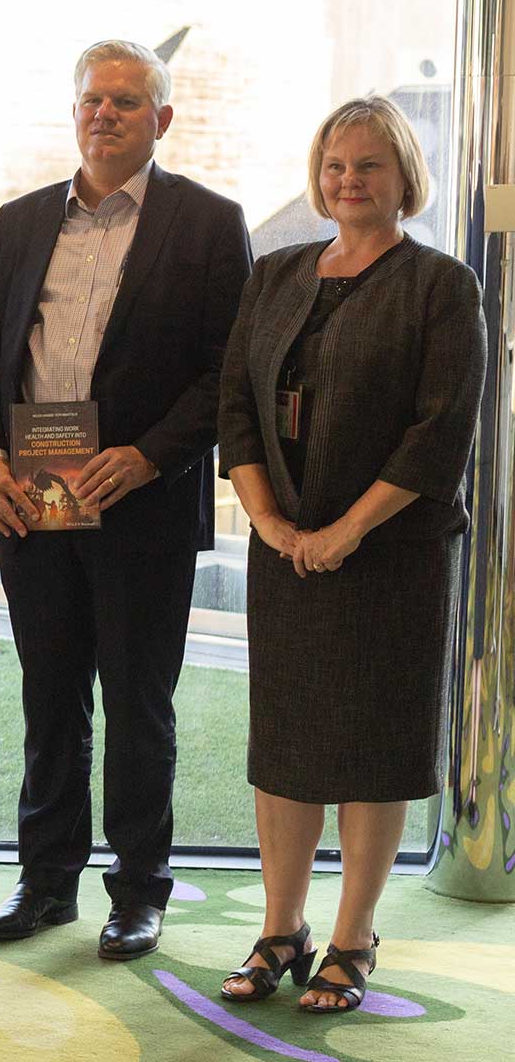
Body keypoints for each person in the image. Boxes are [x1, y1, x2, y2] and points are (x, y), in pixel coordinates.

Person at [0, 40, 251, 958]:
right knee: (49, 701)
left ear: (162, 119)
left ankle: (137, 892)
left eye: (128, 102)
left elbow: (226, 373)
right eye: (94, 100)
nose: (106, 115)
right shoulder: (16, 223)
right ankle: (45, 884)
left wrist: (151, 455)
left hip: (141, 502)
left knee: (137, 705)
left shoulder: (209, 223)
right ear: (74, 110)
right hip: (32, 498)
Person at [216, 96, 485, 1012]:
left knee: (373, 745)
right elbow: (237, 412)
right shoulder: (277, 274)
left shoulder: (441, 285)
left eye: (368, 165)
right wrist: (270, 522)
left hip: (389, 557)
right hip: (284, 552)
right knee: (285, 747)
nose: (348, 181)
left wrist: (344, 531)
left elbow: (438, 434)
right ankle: (280, 928)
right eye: (335, 166)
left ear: (405, 175)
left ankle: (351, 937)